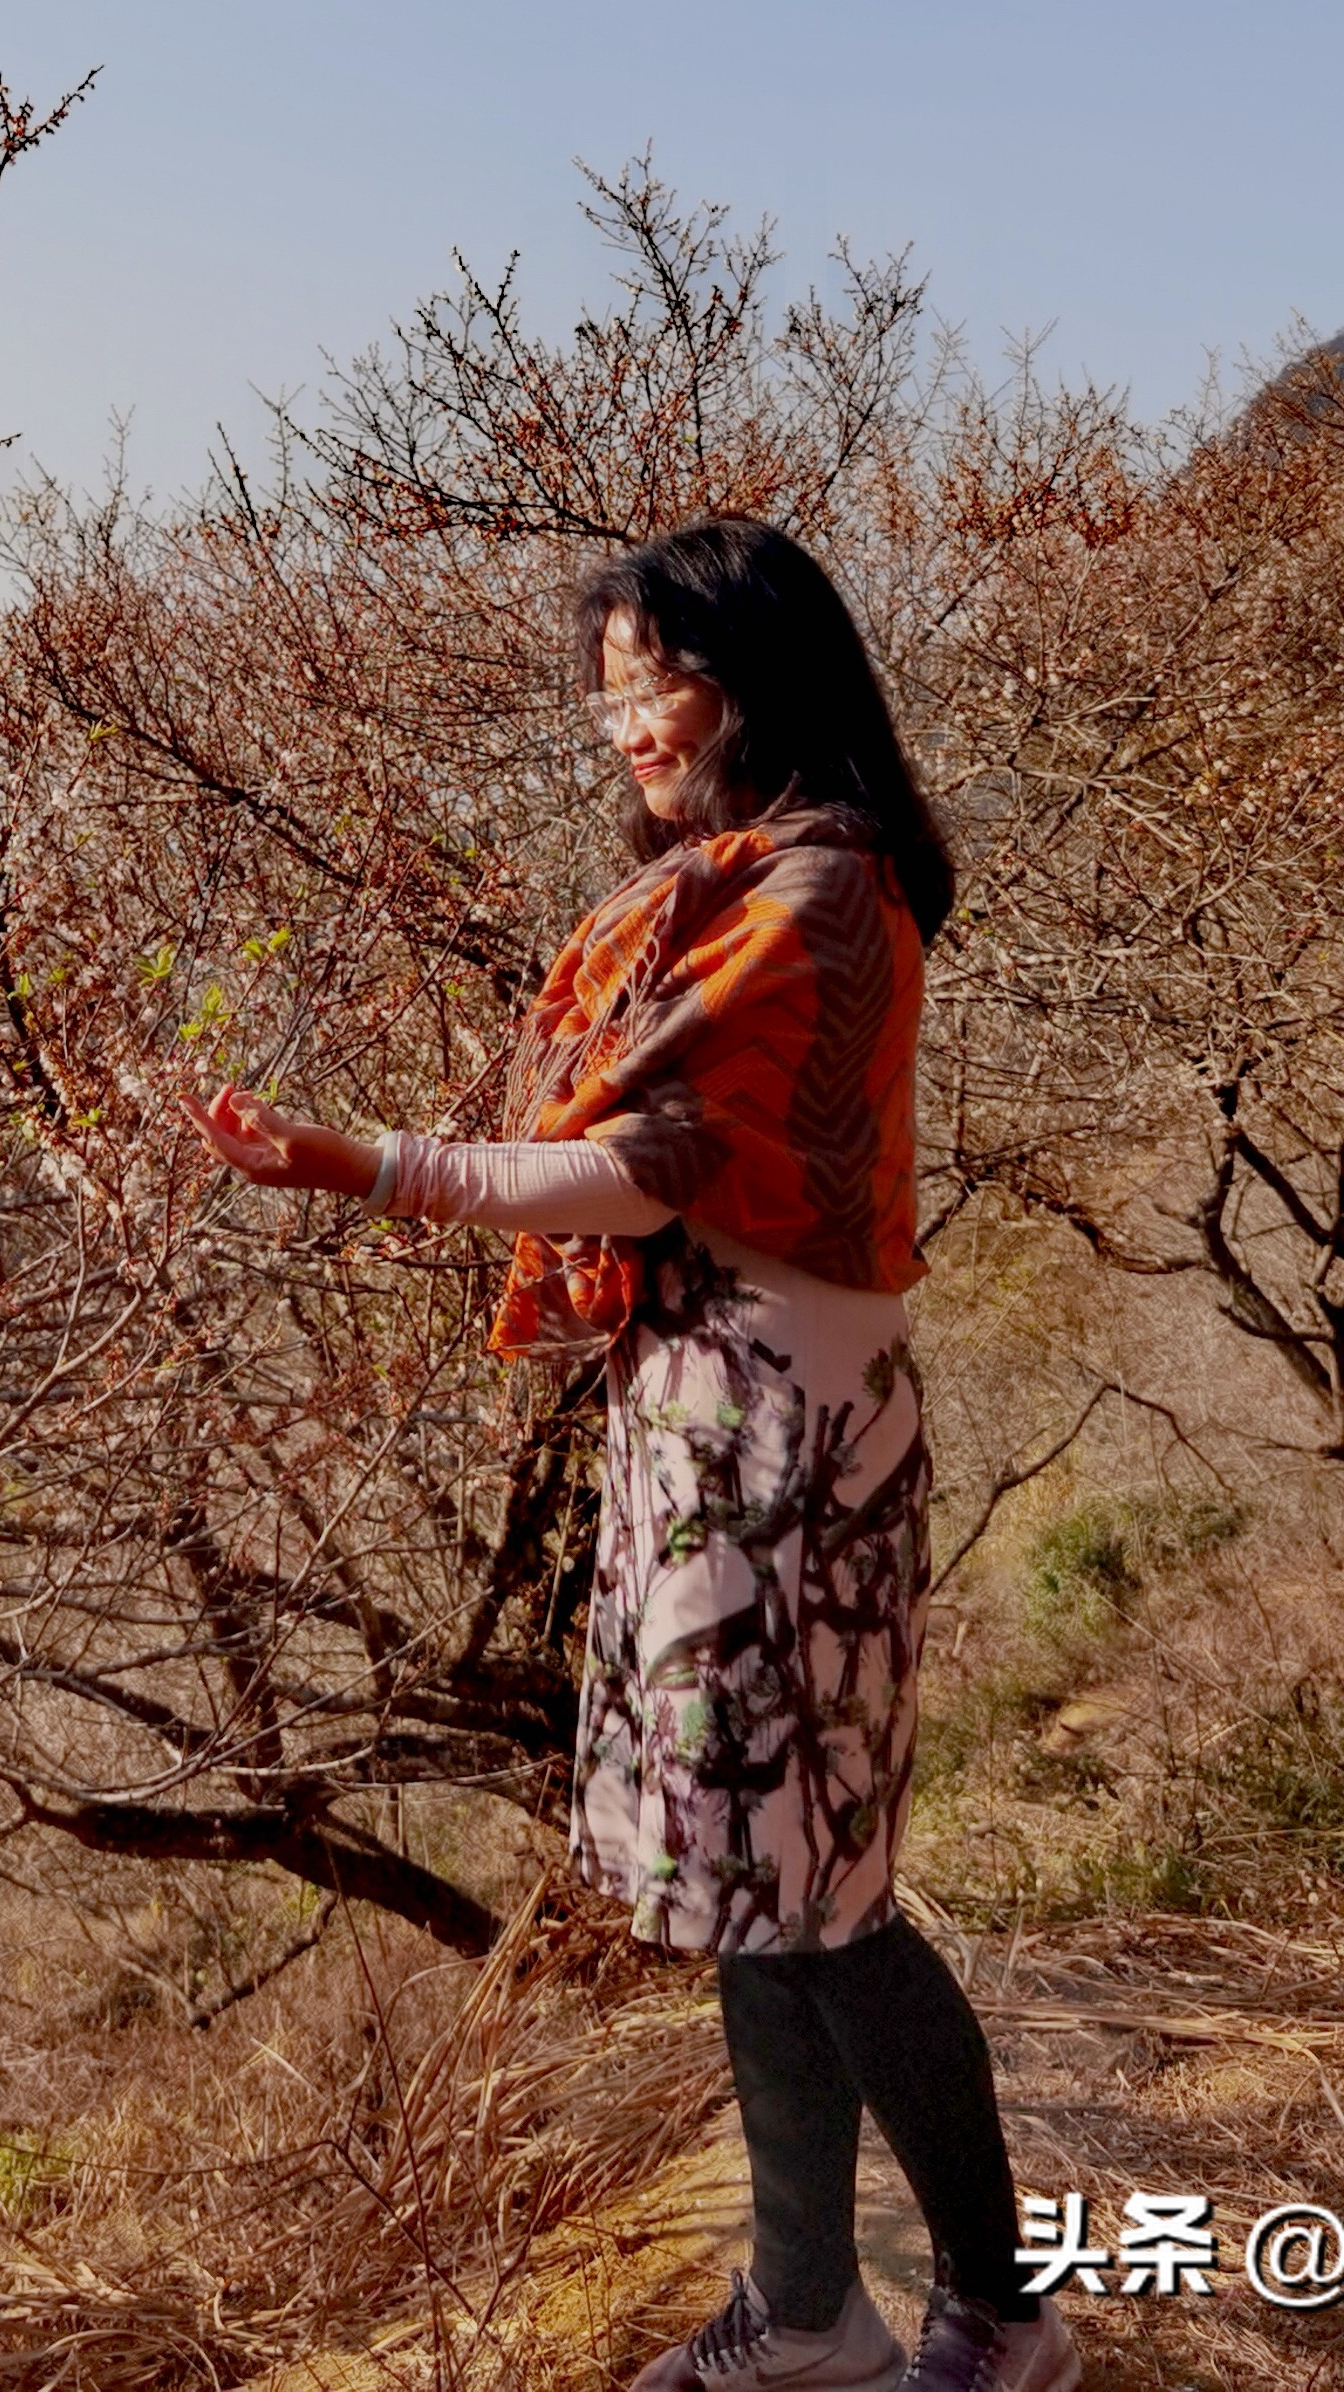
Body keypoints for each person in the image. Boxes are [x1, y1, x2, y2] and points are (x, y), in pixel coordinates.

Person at [187, 514, 1078, 2392]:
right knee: (759, 1892)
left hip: (788, 1454)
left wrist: (361, 1164)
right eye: (610, 695)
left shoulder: (814, 894)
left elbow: (644, 1171)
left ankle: (1003, 2313)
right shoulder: (740, 888)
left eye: (657, 682)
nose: (630, 727)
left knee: (828, 1912)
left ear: (759, 681)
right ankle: (808, 2314)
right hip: (712, 1433)